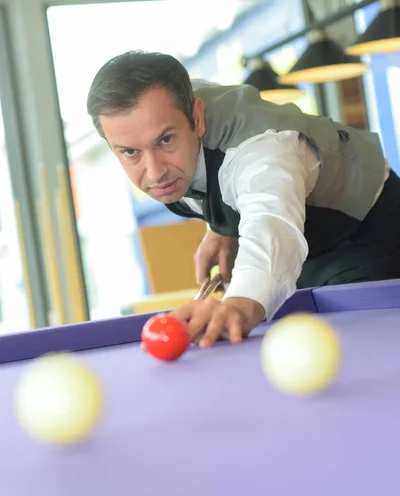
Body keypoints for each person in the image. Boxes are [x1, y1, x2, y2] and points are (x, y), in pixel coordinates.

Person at [87, 50, 399, 348]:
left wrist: (239, 303)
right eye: (130, 152)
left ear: (196, 117)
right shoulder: (162, 109)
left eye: (165, 140)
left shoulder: (261, 148)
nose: (154, 173)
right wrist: (223, 228)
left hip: (368, 230)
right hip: (304, 243)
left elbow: (271, 220)